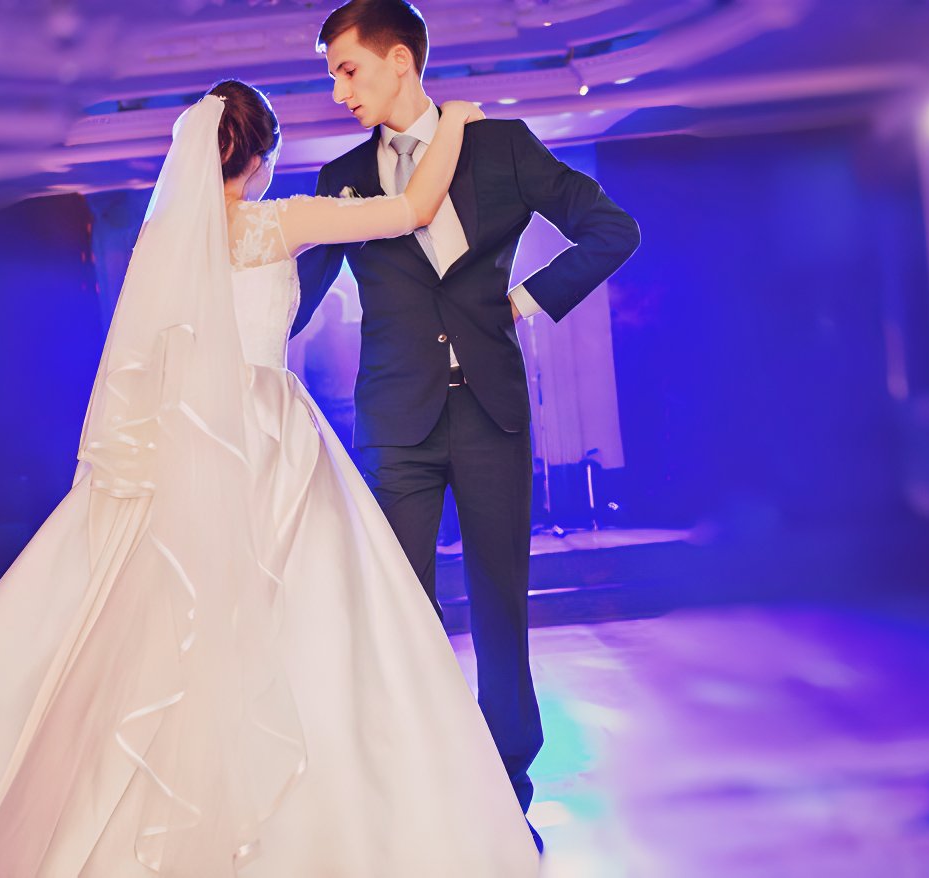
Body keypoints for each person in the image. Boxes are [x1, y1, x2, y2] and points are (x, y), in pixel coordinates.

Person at [0, 82, 539, 877]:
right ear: (259, 157)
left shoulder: (161, 240)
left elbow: (142, 361)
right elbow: (413, 207)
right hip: (272, 438)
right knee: (315, 619)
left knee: (164, 629)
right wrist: (460, 124)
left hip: (185, 437)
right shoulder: (280, 220)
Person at [294, 0, 642, 850]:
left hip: (491, 413)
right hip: (394, 422)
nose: (337, 90)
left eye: (348, 69)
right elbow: (297, 302)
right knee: (400, 613)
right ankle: (412, 791)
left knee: (500, 609)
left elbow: (612, 229)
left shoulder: (503, 148)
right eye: (332, 74)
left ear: (401, 60)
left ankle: (506, 796)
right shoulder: (339, 175)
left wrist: (529, 297)